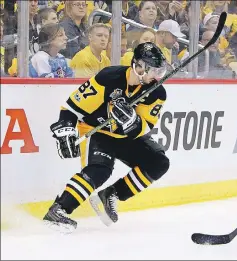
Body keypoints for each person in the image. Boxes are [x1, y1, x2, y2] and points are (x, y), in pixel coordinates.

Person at [43, 42, 170, 233]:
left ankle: (112, 194)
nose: (157, 77)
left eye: (160, 71)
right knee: (100, 170)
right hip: (95, 130)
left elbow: (145, 126)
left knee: (158, 162)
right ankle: (59, 210)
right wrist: (67, 129)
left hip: (123, 135)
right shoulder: (109, 77)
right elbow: (71, 108)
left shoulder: (157, 92)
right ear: (138, 66)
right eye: (154, 71)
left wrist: (132, 122)